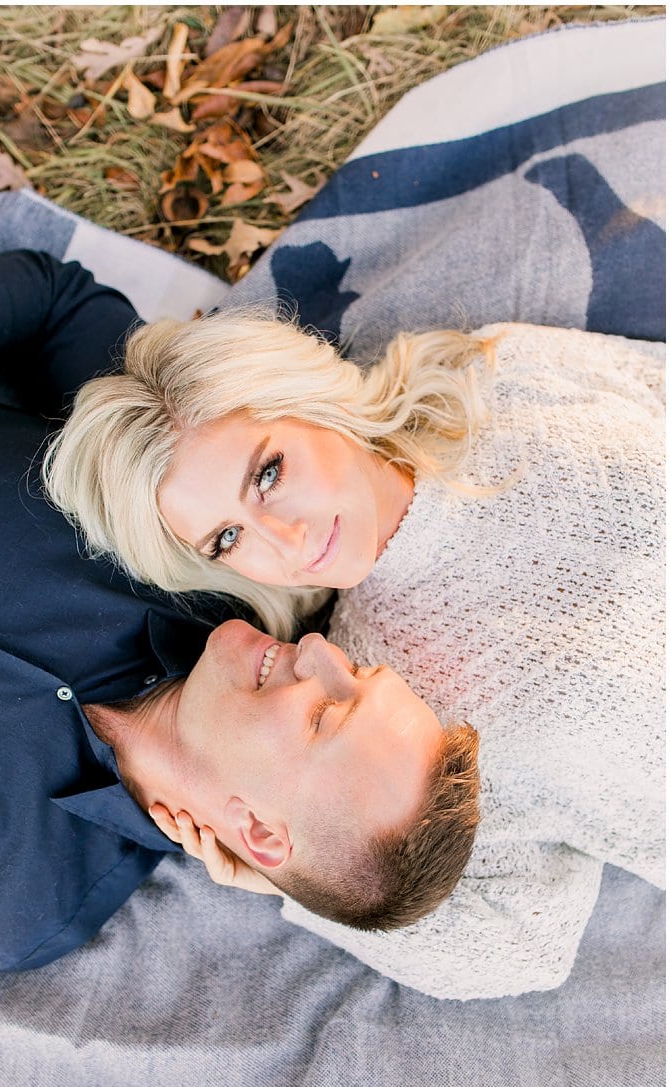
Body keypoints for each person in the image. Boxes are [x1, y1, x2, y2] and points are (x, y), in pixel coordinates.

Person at [38, 256, 666, 996]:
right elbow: (522, 944)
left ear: (306, 401)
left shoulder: (502, 376)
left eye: (267, 473)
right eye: (227, 540)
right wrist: (281, 879)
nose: (285, 544)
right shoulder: (370, 712)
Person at [0, 229, 480, 972]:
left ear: (263, 836)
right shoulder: (189, 544)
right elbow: (55, 299)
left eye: (326, 712)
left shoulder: (8, 903)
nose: (319, 651)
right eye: (356, 672)